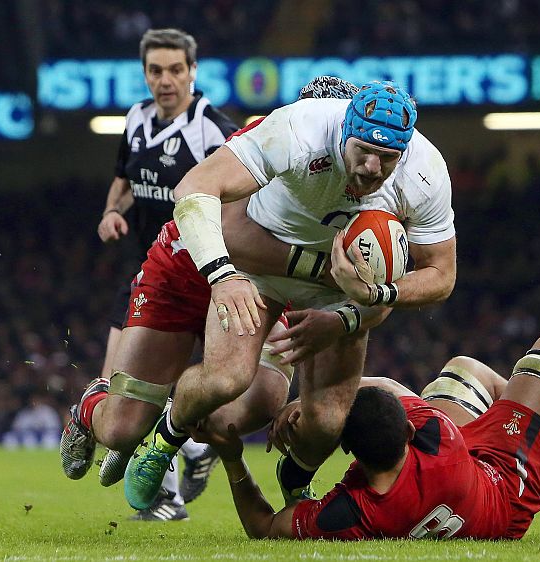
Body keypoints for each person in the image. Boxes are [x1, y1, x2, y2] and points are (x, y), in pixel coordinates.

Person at [123, 79, 457, 511]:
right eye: (363, 151)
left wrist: (373, 295)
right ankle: (166, 438)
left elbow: (441, 275)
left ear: (405, 151)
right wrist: (223, 275)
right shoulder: (300, 128)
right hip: (264, 264)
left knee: (328, 421)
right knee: (226, 379)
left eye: (388, 157)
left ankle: (295, 477)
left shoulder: (425, 171)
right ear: (344, 130)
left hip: (336, 291)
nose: (373, 168)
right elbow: (194, 186)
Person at [59, 76, 371, 512]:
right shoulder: (273, 141)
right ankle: (93, 406)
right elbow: (232, 234)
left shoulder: (359, 172)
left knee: (254, 403)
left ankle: (177, 428)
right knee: (121, 429)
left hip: (263, 283)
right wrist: (322, 270)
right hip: (187, 271)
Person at [208, 328, 540, 539]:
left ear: (352, 454)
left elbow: (263, 526)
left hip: (456, 484)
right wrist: (312, 400)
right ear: (410, 429)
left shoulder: (352, 511)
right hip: (506, 487)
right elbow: (389, 387)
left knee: (461, 371)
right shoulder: (439, 436)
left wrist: (233, 458)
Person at [61, 28, 239, 521]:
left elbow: (241, 197)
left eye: (176, 70)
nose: (166, 80)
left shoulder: (213, 130)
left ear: (193, 72)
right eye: (156, 70)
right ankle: (178, 474)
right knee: (122, 384)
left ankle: (182, 466)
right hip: (147, 271)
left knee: (185, 388)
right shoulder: (136, 119)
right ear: (144, 74)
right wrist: (110, 212)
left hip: (205, 275)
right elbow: (125, 180)